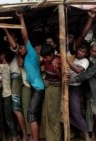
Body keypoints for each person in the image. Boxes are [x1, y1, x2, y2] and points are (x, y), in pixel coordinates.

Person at [17, 12, 45, 141]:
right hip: (36, 88)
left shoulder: (32, 54)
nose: (19, 49)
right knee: (33, 114)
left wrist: (21, 18)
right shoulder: (27, 58)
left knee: (31, 115)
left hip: (38, 88)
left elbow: (24, 35)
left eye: (21, 47)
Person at [69, 41, 96, 141]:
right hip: (88, 91)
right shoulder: (89, 60)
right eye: (93, 51)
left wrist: (74, 79)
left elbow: (87, 74)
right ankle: (91, 135)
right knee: (89, 115)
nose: (94, 53)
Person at [67, 42, 90, 141]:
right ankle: (73, 131)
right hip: (66, 86)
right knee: (67, 112)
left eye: (83, 51)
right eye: (80, 50)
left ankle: (86, 135)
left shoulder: (85, 61)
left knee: (76, 112)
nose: (80, 53)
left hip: (75, 88)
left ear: (86, 54)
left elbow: (78, 70)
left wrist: (67, 61)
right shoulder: (72, 57)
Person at [40, 44, 62, 141]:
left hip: (56, 90)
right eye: (43, 57)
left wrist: (57, 69)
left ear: (52, 54)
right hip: (48, 88)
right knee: (46, 113)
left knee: (54, 115)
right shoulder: (45, 61)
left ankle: (55, 138)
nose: (45, 59)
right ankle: (48, 137)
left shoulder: (59, 60)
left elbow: (62, 79)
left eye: (46, 57)